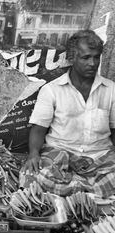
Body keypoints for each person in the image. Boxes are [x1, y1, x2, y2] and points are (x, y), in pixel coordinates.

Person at [20, 29, 115, 198]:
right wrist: (33, 154)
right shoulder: (51, 90)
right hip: (60, 152)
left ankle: (74, 191)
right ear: (71, 58)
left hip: (99, 155)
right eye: (86, 57)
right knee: (34, 176)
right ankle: (90, 194)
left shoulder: (111, 90)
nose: (92, 63)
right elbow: (38, 129)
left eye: (96, 57)